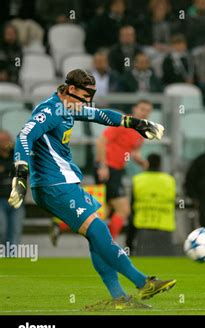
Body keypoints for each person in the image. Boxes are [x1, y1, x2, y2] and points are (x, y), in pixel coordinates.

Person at [8, 69, 175, 309]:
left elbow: (100, 115)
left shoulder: (68, 106)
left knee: (97, 235)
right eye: (84, 96)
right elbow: (23, 135)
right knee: (99, 231)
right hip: (54, 185)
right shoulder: (50, 110)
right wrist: (20, 173)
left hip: (62, 184)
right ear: (71, 89)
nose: (87, 102)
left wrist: (136, 123)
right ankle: (143, 283)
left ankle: (119, 298)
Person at [95, 99, 153, 240]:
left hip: (117, 170)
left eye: (147, 111)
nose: (144, 113)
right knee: (123, 209)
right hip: (108, 168)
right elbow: (101, 141)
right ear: (134, 109)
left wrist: (141, 162)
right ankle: (109, 244)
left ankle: (61, 226)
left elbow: (133, 151)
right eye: (142, 109)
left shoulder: (141, 131)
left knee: (104, 210)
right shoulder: (122, 123)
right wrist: (103, 165)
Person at [131, 153, 177, 256]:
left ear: (147, 163)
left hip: (143, 227)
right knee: (165, 263)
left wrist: (129, 239)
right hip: (165, 227)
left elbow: (132, 206)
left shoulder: (138, 179)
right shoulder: (169, 180)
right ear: (160, 164)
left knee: (143, 264)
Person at [0, 130, 25, 245]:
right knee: (2, 228)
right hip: (1, 199)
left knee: (15, 230)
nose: (5, 143)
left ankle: (12, 257)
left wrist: (4, 170)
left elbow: (23, 171)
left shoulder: (16, 155)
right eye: (2, 141)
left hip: (16, 198)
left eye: (6, 140)